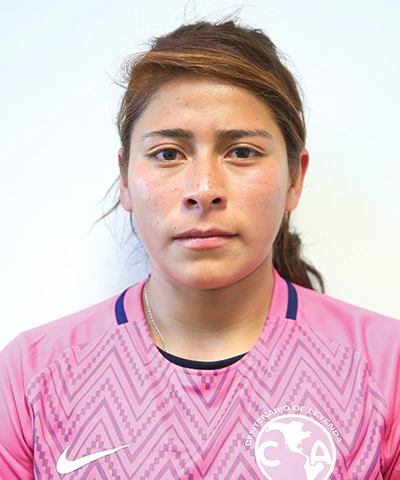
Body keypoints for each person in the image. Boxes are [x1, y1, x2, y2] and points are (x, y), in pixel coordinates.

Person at [0, 19, 399, 480]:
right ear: (125, 179)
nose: (204, 189)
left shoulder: (386, 367)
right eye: (168, 153)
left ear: (295, 178)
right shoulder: (30, 376)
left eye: (242, 152)